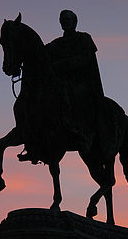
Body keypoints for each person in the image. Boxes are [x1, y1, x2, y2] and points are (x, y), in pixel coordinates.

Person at [45, 10, 105, 153]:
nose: (64, 22)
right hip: (61, 84)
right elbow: (41, 52)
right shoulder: (56, 44)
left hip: (81, 83)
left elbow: (84, 59)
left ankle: (82, 133)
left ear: (74, 22)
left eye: (67, 19)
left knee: (73, 95)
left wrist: (62, 65)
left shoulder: (84, 39)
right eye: (62, 20)